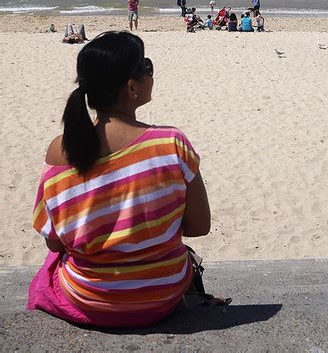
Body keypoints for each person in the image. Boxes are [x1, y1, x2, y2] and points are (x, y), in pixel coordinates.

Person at [28, 31, 212, 328]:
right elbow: (199, 226)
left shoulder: (61, 150)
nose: (151, 74)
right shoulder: (172, 143)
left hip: (88, 298)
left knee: (50, 270)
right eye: (147, 66)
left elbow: (54, 243)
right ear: (131, 86)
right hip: (162, 296)